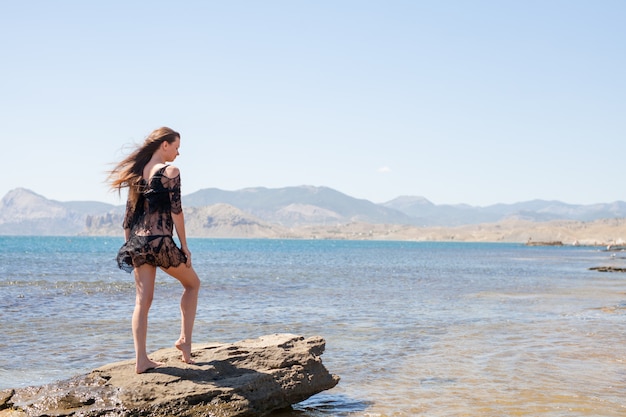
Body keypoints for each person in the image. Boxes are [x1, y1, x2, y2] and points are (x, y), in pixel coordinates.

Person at [108, 127, 201, 373]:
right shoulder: (171, 172)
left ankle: (141, 360)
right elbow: (176, 211)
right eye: (177, 146)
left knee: (142, 301)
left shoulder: (137, 174)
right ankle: (185, 343)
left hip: (138, 243)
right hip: (161, 242)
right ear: (164, 145)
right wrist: (184, 246)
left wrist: (129, 247)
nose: (178, 153)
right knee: (193, 285)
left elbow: (128, 218)